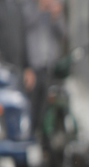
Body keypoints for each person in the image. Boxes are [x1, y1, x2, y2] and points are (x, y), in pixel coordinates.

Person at [24, 0, 66, 135]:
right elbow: (24, 25)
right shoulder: (28, 6)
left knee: (44, 107)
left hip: (48, 66)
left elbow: (64, 32)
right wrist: (40, 8)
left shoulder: (55, 8)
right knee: (31, 106)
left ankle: (37, 137)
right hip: (32, 67)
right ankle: (28, 136)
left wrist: (56, 16)